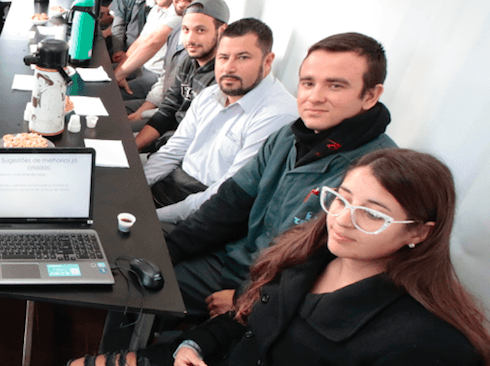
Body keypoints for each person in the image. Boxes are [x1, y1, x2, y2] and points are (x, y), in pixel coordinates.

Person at [61, 148, 490, 366]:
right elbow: (244, 318)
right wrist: (193, 345)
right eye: (341, 200)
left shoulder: (427, 343)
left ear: (419, 233)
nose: (343, 220)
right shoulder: (310, 257)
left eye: (372, 214)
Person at [167, 32, 398, 315]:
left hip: (272, 298)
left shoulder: (376, 173)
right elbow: (229, 203)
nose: (315, 97)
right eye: (308, 83)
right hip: (235, 261)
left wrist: (246, 299)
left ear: (370, 95)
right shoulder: (287, 137)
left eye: (335, 86)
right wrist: (172, 247)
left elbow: (327, 270)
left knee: (146, 289)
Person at [145, 16, 298, 224]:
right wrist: (135, 187)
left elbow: (225, 192)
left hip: (208, 211)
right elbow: (173, 151)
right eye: (223, 57)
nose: (228, 68)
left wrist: (153, 217)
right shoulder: (210, 95)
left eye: (243, 58)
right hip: (173, 183)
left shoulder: (277, 115)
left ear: (268, 61)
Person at [128, 0, 216, 131]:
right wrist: (142, 112)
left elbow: (181, 113)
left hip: (174, 124)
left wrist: (143, 114)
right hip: (161, 107)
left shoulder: (208, 44)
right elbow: (167, 80)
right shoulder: (177, 29)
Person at [115, 0, 182, 102]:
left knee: (110, 95)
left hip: (155, 76)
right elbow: (141, 41)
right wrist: (120, 68)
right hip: (141, 68)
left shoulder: (178, 13)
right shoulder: (156, 10)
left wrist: (118, 75)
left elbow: (153, 42)